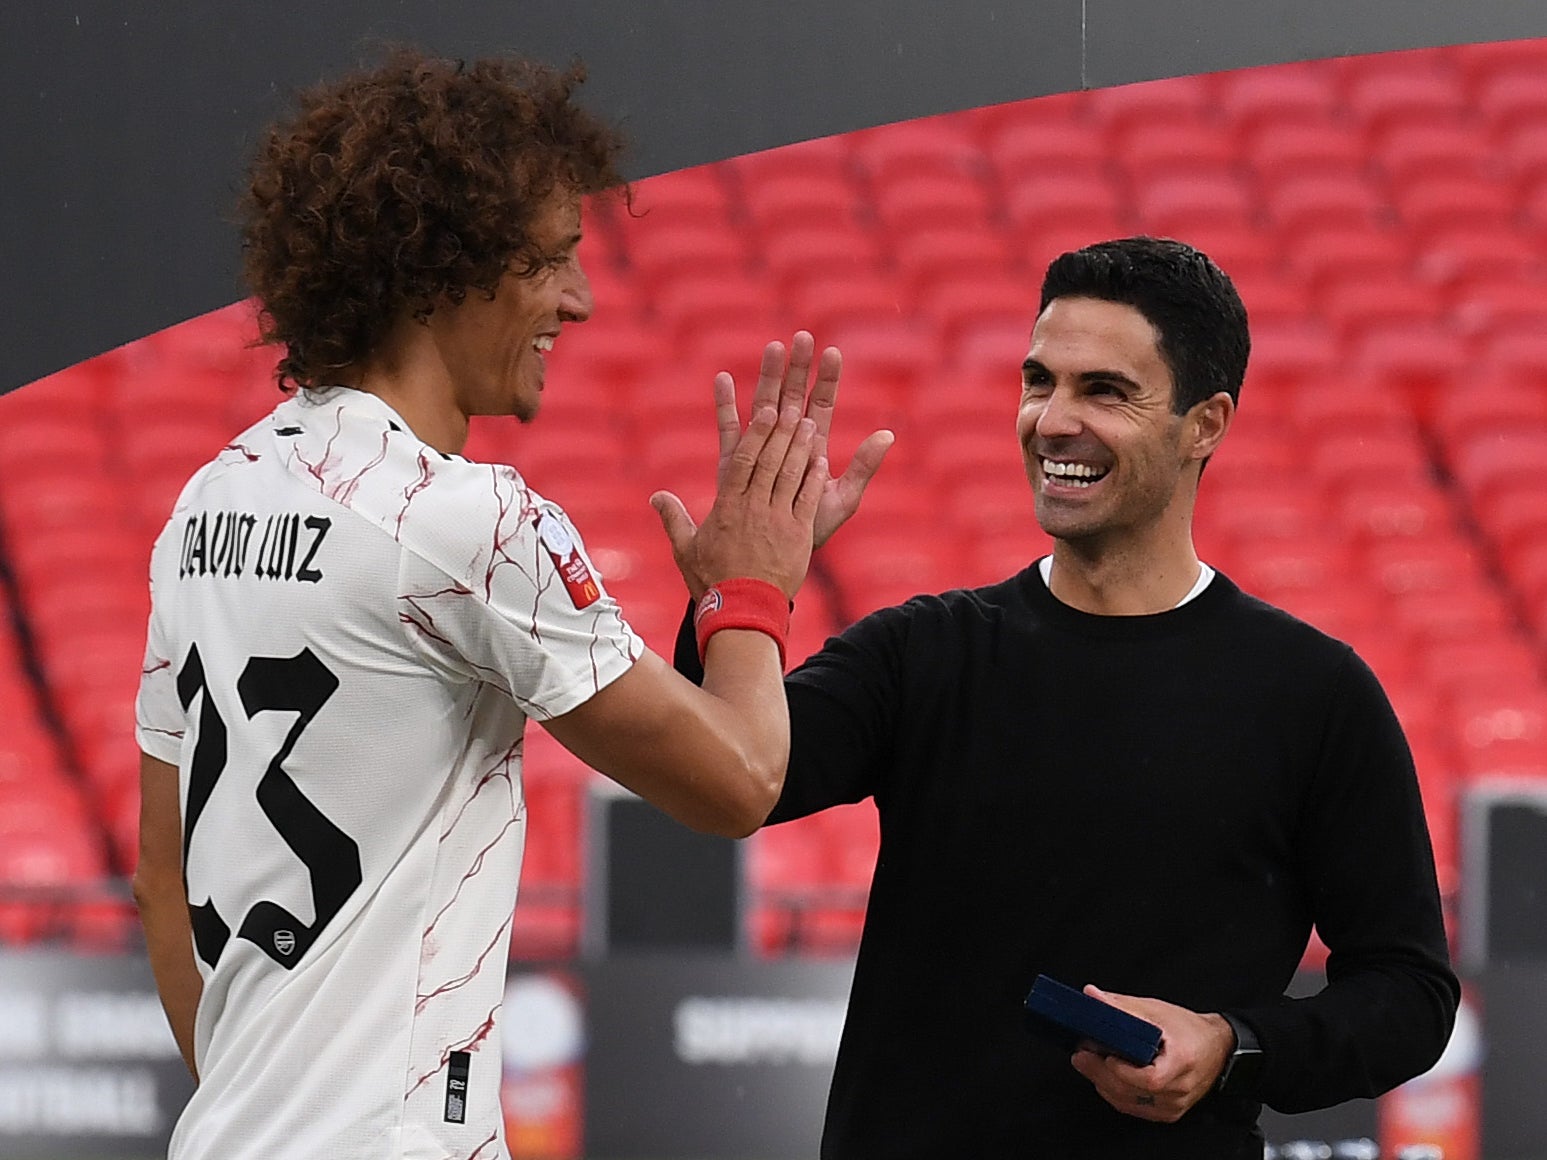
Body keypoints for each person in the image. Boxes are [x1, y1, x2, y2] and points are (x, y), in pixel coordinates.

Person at [131, 49, 877, 1160]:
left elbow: (160, 877)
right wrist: (751, 588)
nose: (578, 299)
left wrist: (262, 1115)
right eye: (549, 258)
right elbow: (739, 781)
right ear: (443, 269)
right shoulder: (468, 520)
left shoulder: (208, 499)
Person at [659, 236, 1460, 1158]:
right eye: (1038, 381)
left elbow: (1408, 993)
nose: (1051, 420)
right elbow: (718, 773)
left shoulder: (1314, 695)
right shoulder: (924, 654)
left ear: (1204, 424)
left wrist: (1231, 1046)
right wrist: (743, 590)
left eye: (1104, 391)